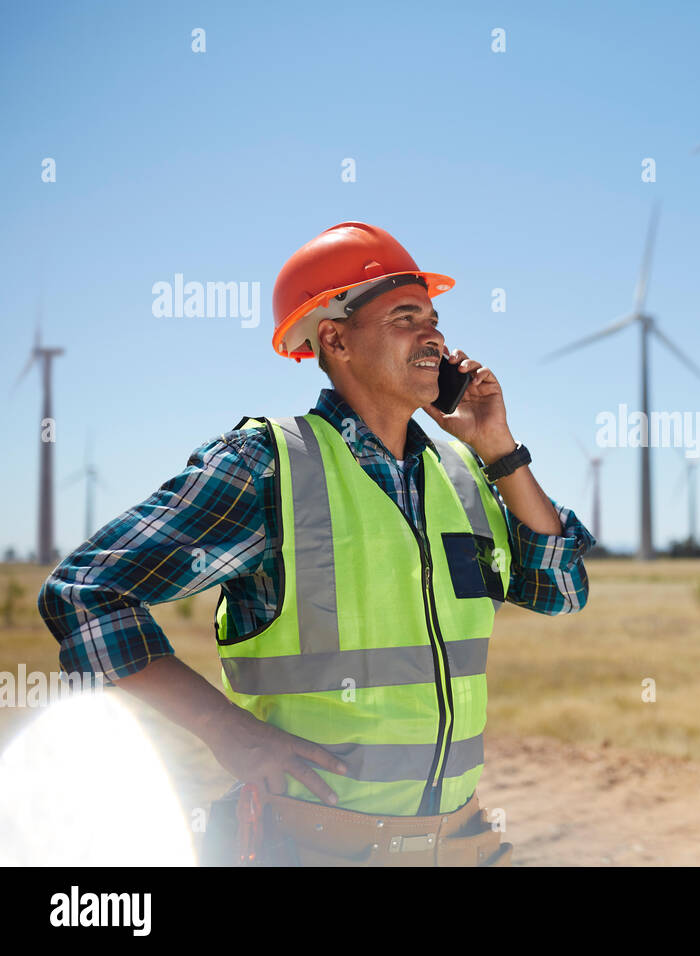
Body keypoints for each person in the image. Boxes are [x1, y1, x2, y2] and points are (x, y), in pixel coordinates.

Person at [38, 221, 595, 866]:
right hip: (310, 850)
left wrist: (498, 448)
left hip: (460, 846)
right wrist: (226, 732)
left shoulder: (466, 473)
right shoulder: (269, 465)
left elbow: (561, 590)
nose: (435, 335)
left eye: (435, 318)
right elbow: (86, 593)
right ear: (335, 337)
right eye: (406, 316)